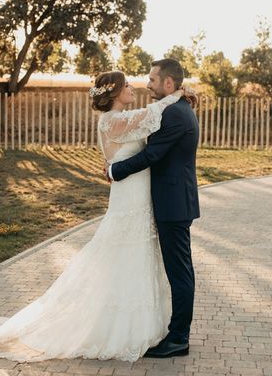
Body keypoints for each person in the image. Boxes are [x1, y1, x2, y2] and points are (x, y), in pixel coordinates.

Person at [0, 69, 189, 362]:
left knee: (135, 257)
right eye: (126, 85)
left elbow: (147, 121)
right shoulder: (113, 121)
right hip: (128, 200)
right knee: (122, 256)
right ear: (114, 93)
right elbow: (152, 115)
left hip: (137, 198)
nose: (133, 87)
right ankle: (116, 329)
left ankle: (142, 327)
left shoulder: (120, 120)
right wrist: (177, 95)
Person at [106, 58, 199, 358]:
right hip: (175, 201)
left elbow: (153, 154)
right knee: (179, 270)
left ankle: (179, 339)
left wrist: (114, 171)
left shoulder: (174, 113)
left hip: (173, 204)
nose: (147, 84)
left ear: (168, 83)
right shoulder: (176, 107)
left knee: (180, 272)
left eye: (152, 80)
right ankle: (177, 334)